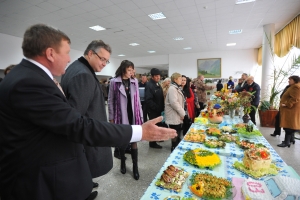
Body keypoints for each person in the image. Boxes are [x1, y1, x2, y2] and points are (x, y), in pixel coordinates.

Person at [0, 24, 176, 200]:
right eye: (66, 52)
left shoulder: (29, 76)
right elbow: (76, 123)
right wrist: (139, 131)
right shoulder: (30, 82)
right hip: (38, 179)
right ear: (50, 53)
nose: (69, 59)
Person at [60, 40, 113, 193]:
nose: (104, 64)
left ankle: (85, 183)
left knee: (84, 174)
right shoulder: (83, 74)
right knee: (82, 173)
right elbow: (77, 117)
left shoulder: (77, 68)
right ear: (90, 53)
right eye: (102, 59)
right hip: (86, 139)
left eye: (106, 61)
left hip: (85, 137)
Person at [108, 60, 143, 180]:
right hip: (121, 114)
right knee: (123, 140)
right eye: (129, 70)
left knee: (134, 140)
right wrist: (111, 118)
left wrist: (141, 116)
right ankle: (122, 161)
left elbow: (137, 100)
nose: (131, 72)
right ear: (123, 69)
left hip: (133, 114)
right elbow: (111, 100)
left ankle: (135, 167)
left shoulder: (134, 81)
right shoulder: (114, 82)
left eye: (132, 70)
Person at [277, 76, 300, 147]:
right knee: (290, 125)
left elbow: (295, 98)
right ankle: (291, 140)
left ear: (295, 80)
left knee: (289, 126)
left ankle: (286, 142)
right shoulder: (294, 86)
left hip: (291, 110)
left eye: (290, 79)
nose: (289, 81)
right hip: (291, 110)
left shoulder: (296, 87)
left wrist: (287, 104)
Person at [145, 68, 165, 149]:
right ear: (152, 77)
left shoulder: (157, 84)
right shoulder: (149, 85)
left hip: (158, 110)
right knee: (153, 126)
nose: (158, 77)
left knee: (158, 125)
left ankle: (156, 139)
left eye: (159, 76)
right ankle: (152, 143)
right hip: (153, 110)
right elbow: (148, 100)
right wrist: (156, 108)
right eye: (156, 76)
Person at [165, 72, 185, 152]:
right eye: (180, 78)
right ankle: (173, 149)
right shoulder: (172, 88)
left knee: (177, 131)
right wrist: (182, 112)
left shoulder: (176, 87)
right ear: (175, 79)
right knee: (174, 132)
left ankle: (176, 147)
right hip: (174, 114)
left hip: (177, 114)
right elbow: (174, 103)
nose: (181, 80)